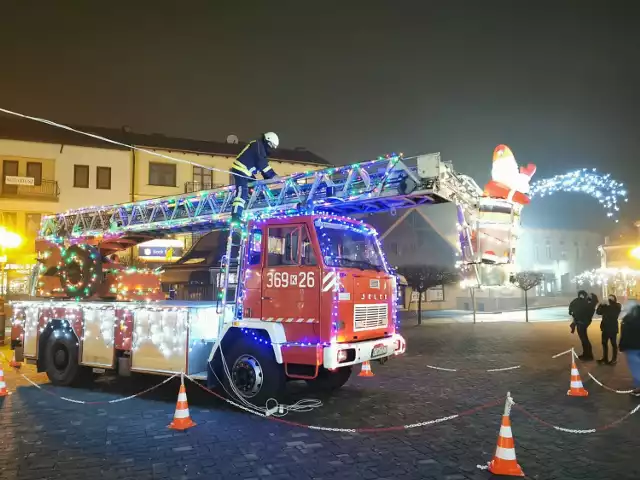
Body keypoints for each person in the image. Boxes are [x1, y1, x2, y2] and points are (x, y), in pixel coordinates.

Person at [230, 132, 279, 222]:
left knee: (256, 187)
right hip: (240, 170)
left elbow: (261, 166)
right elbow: (262, 164)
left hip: (247, 172)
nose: (271, 149)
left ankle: (252, 203)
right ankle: (236, 216)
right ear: (267, 141)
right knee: (242, 191)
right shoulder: (257, 145)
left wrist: (268, 179)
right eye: (271, 146)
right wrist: (273, 175)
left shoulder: (260, 149)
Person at [619, 303, 640, 397]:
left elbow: (624, 334)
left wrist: (621, 346)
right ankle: (637, 387)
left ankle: (638, 387)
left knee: (635, 368)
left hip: (632, 347)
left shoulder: (627, 320)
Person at [596, 294, 622, 365]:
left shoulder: (617, 306)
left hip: (612, 328)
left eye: (611, 298)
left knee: (613, 344)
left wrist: (608, 304)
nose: (609, 299)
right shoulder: (605, 306)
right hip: (605, 328)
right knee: (604, 343)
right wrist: (601, 305)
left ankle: (614, 359)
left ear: (614, 299)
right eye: (609, 298)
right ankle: (605, 358)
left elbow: (614, 314)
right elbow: (598, 312)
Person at [568, 290, 594, 360]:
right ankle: (586, 354)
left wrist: (572, 313)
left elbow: (571, 309)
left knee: (584, 339)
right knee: (584, 339)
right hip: (584, 322)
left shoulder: (578, 301)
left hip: (580, 322)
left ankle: (588, 355)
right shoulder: (586, 302)